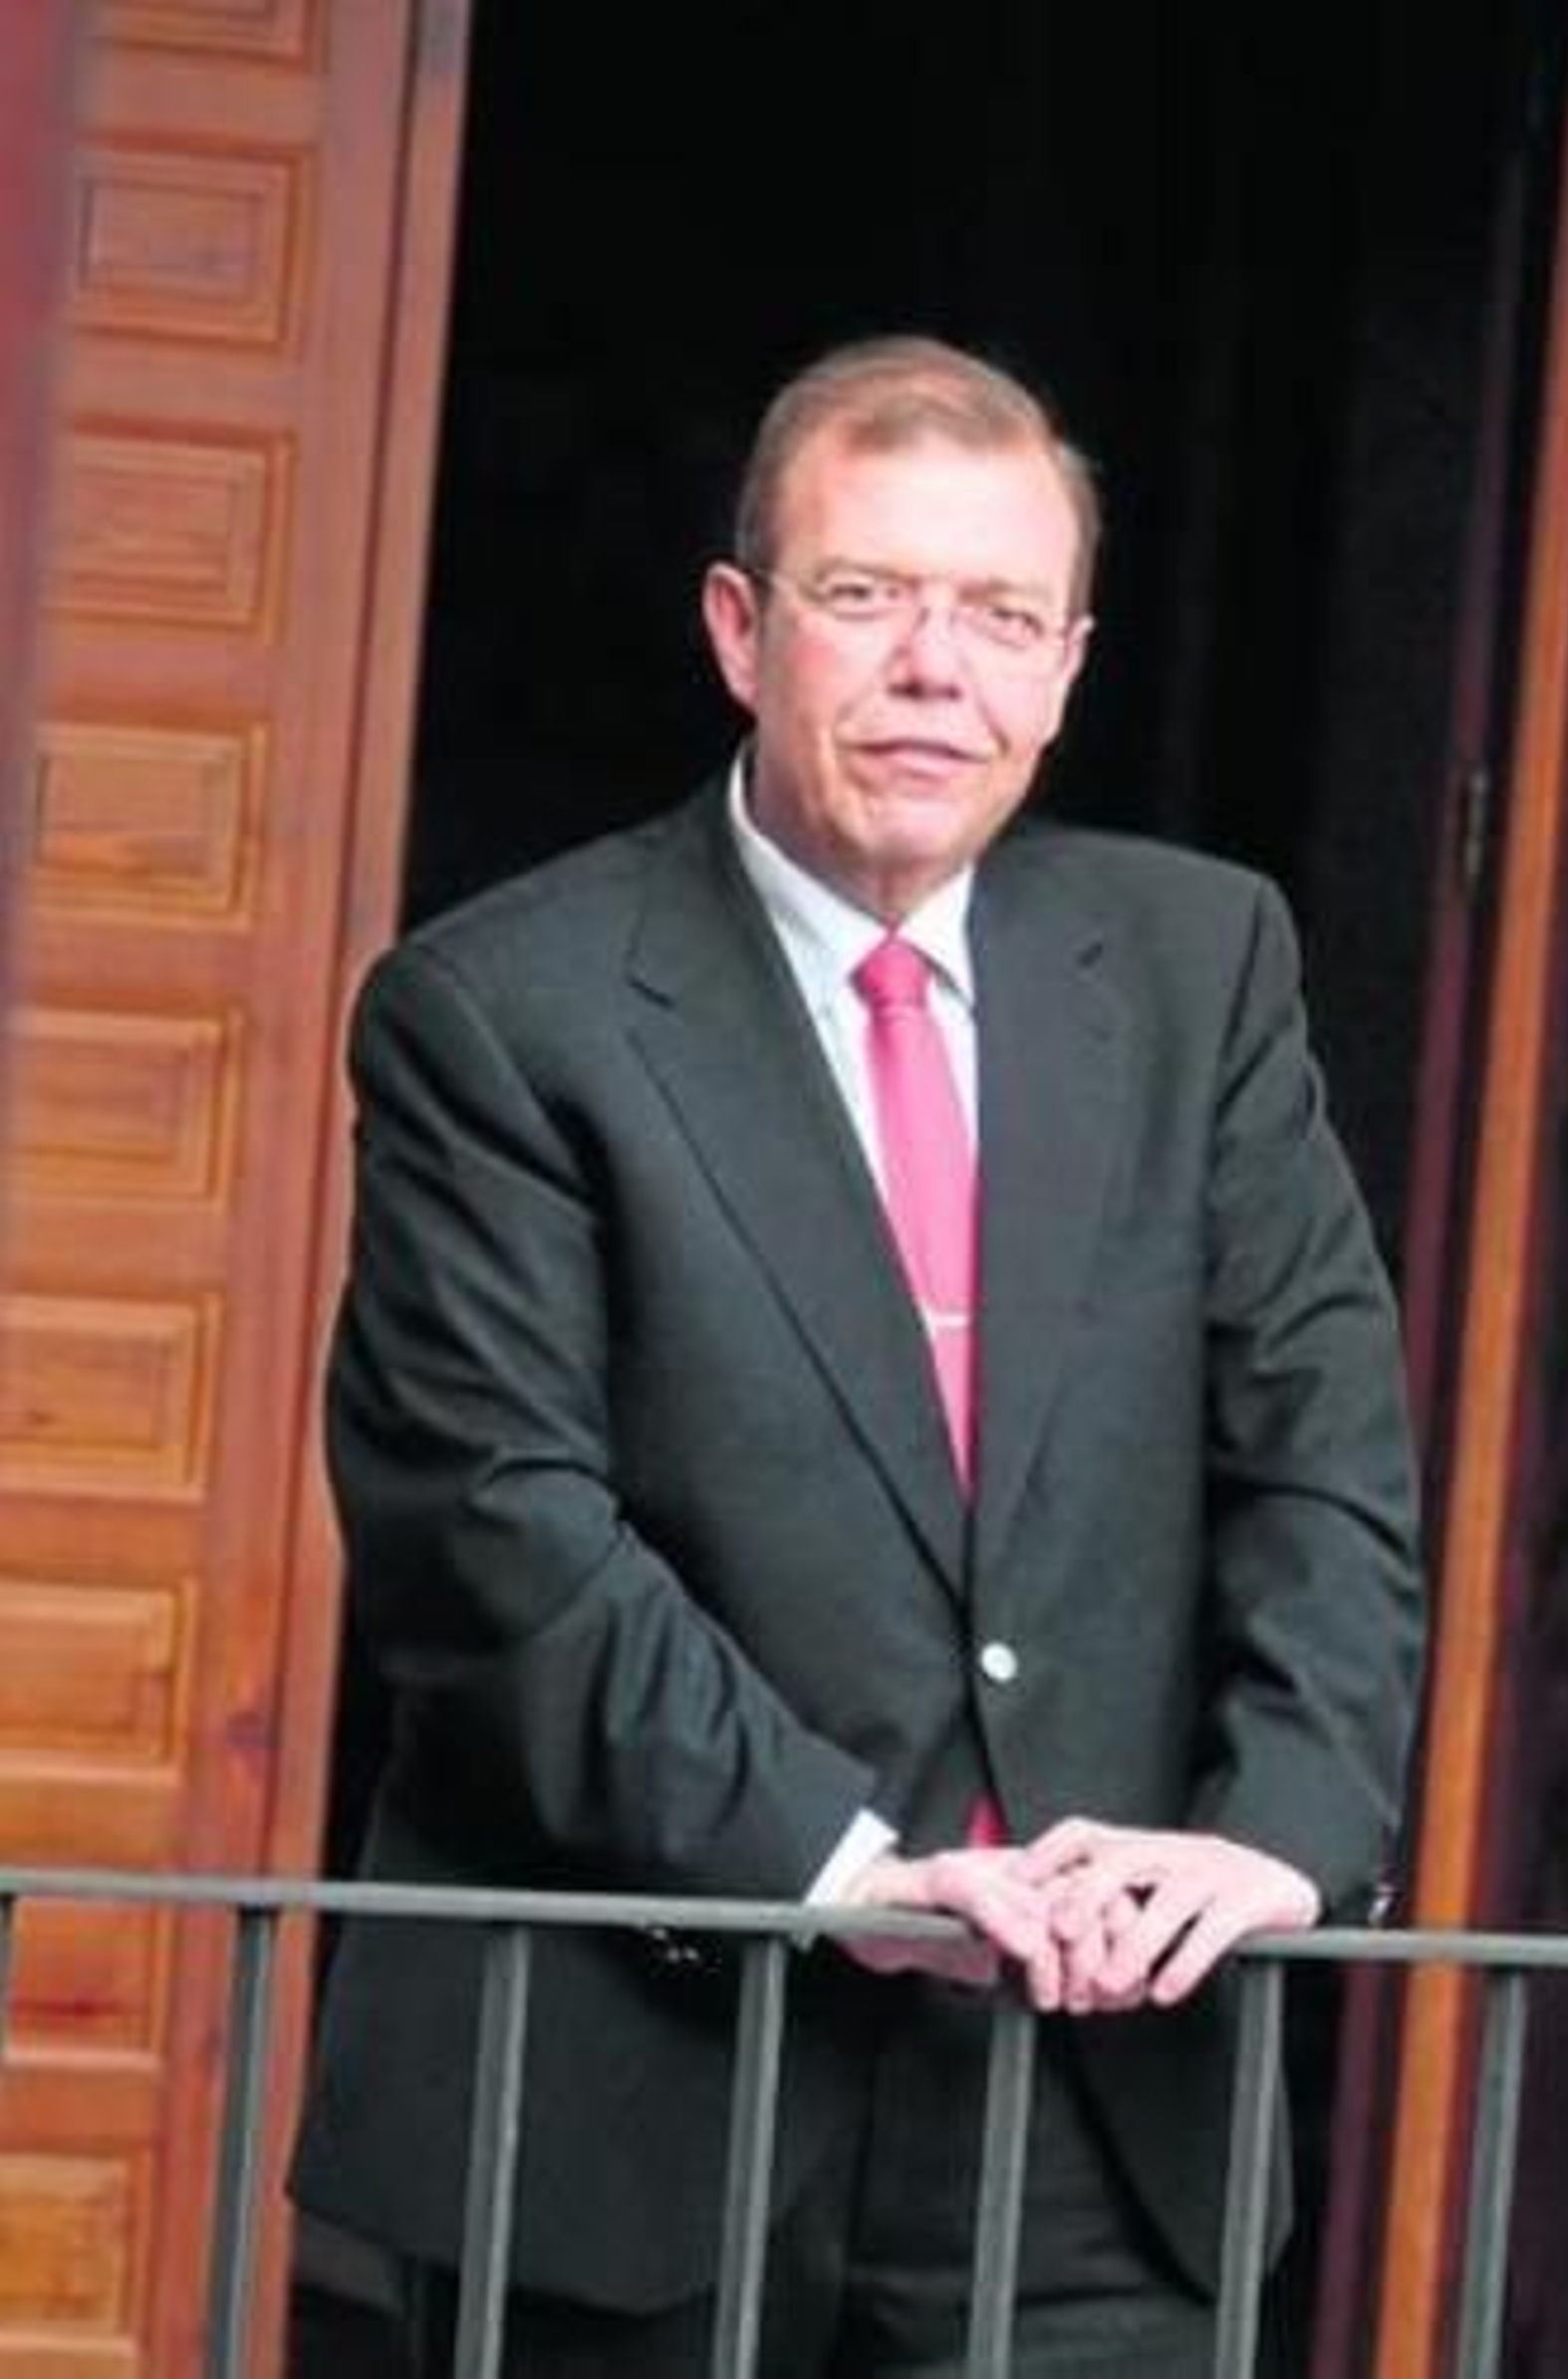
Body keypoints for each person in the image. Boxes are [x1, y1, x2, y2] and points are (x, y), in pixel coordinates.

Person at [291, 334, 1425, 2375]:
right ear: (739, 631)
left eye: (1000, 614)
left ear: (1066, 668)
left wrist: (1274, 1831)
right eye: (865, 594)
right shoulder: (499, 1010)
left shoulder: (1199, 966)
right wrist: (848, 1872)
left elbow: (1318, 1456)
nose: (936, 669)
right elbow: (493, 1534)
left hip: (1099, 2104)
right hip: (644, 2083)